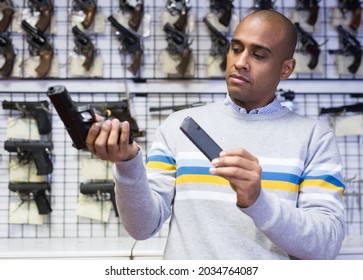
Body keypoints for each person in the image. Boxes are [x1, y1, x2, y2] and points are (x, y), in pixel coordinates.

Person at [86, 10, 346, 259]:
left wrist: (258, 200)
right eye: (236, 49)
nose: (240, 62)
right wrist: (128, 163)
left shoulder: (314, 138)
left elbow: (325, 245)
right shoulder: (177, 127)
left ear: (286, 69)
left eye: (258, 55)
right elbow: (142, 228)